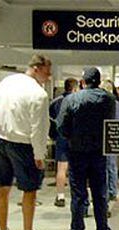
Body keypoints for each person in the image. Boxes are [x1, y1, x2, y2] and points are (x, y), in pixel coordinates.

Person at [0, 54, 52, 230]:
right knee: (29, 189)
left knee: (2, 186)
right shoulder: (38, 93)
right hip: (23, 144)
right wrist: (39, 155)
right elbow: (39, 128)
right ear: (36, 68)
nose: (49, 75)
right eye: (47, 71)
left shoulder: (7, 82)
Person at [57, 67, 115, 230]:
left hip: (77, 152)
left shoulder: (72, 99)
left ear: (83, 81)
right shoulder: (108, 99)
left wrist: (71, 136)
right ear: (99, 81)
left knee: (79, 195)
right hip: (99, 152)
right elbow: (110, 123)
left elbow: (62, 126)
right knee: (100, 193)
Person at [49, 78, 79, 207]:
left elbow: (51, 119)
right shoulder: (79, 100)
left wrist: (53, 135)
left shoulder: (56, 102)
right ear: (75, 88)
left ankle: (60, 196)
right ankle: (77, 195)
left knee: (61, 168)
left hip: (61, 137)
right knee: (77, 168)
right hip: (76, 138)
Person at [100, 79, 119, 204]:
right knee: (112, 165)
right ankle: (113, 190)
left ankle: (107, 192)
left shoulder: (101, 103)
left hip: (103, 136)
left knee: (105, 166)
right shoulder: (117, 104)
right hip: (114, 135)